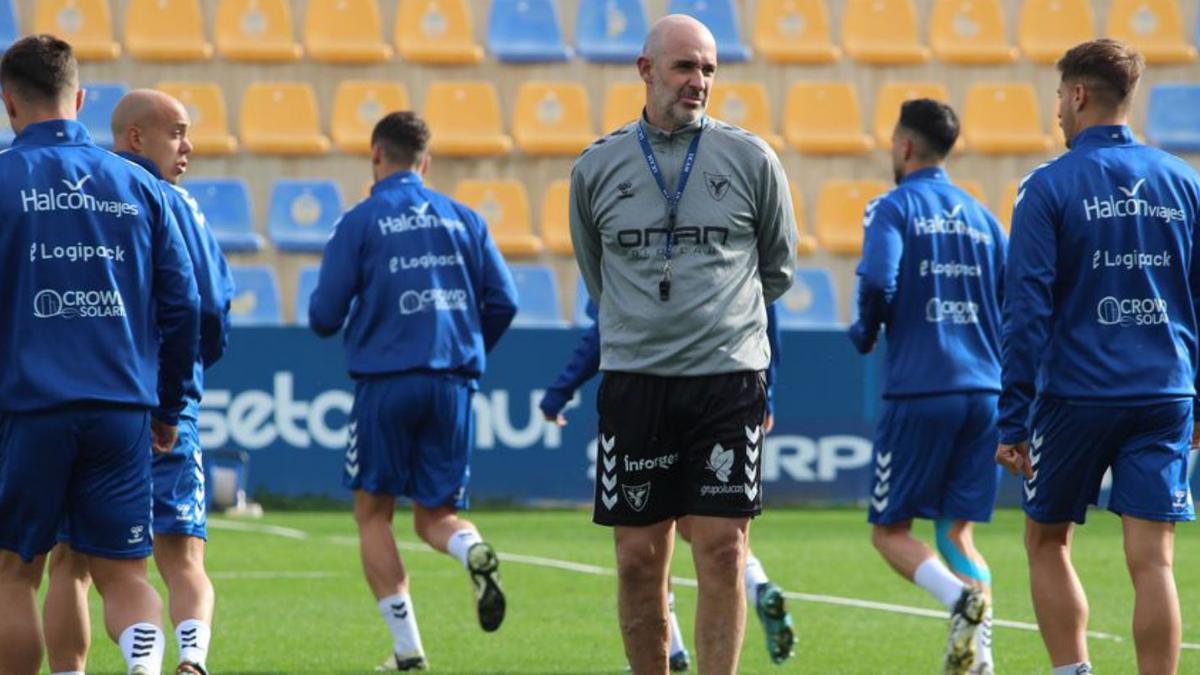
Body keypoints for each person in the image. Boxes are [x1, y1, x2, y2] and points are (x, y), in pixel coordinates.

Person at [569, 14, 797, 674]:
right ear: (645, 71)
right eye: (684, 67)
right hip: (637, 381)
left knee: (724, 548)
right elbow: (598, 274)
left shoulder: (752, 159)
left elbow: (775, 270)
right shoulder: (597, 167)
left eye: (708, 69)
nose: (698, 81)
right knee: (639, 559)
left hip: (727, 379)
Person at [996, 39, 1200, 675]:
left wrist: (1012, 418)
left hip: (1076, 398)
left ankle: (1073, 671)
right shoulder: (1184, 182)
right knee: (1153, 559)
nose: (1058, 109)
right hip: (1166, 392)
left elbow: (1025, 312)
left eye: (1060, 96)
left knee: (1046, 539)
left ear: (1078, 95)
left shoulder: (1047, 187)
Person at [0, 35, 200, 675]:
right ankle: (144, 666)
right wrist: (168, 406)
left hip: (28, 408)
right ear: (80, 99)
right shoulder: (141, 187)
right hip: (122, 411)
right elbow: (185, 307)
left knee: (13, 575)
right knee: (122, 573)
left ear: (9, 104)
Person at [309, 111, 519, 671]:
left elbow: (324, 314)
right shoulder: (466, 219)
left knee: (373, 514)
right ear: (425, 163)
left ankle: (408, 650)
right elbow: (506, 301)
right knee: (436, 515)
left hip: (385, 382)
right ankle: (469, 547)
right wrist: (465, 346)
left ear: (376, 156)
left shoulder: (360, 221)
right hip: (453, 381)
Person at [42, 89, 235, 675]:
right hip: (162, 404)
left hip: (82, 396)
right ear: (135, 137)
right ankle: (191, 660)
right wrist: (186, 382)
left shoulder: (72, 194)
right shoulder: (175, 204)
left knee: (68, 563)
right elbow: (207, 309)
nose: (189, 147)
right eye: (177, 131)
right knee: (181, 555)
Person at [538, 299, 795, 670]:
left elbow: (604, 328)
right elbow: (766, 305)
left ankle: (673, 646)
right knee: (707, 535)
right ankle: (757, 585)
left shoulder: (636, 260)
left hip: (661, 386)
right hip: (718, 376)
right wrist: (769, 388)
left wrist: (562, 388)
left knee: (657, 534)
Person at [849, 99, 1007, 675]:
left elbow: (876, 278)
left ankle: (956, 600)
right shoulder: (985, 220)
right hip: (985, 392)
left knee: (890, 532)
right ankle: (980, 660)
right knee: (956, 532)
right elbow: (1016, 304)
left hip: (921, 388)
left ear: (905, 145)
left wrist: (866, 330)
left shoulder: (892, 208)